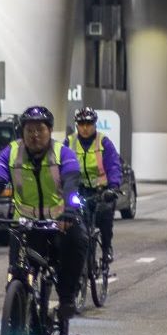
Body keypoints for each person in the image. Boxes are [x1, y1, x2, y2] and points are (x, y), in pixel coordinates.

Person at [0, 105, 87, 320]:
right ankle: (19, 313)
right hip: (25, 224)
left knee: (77, 242)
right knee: (17, 273)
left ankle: (67, 299)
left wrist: (70, 211)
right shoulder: (11, 153)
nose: (35, 135)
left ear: (50, 131)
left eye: (40, 130)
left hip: (59, 222)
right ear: (22, 132)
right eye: (29, 130)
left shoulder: (63, 153)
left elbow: (71, 183)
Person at [64, 106, 121, 263]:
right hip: (79, 190)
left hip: (101, 192)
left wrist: (113, 187)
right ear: (77, 125)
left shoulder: (103, 143)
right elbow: (59, 166)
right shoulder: (69, 142)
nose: (85, 128)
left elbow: (113, 166)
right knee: (74, 222)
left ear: (95, 124)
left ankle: (107, 248)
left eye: (88, 124)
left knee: (105, 217)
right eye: (81, 124)